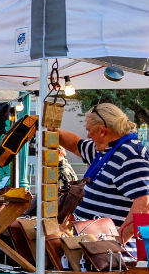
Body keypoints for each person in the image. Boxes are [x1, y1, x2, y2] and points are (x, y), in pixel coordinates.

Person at [57, 101, 149, 237]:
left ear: (102, 131)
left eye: (89, 130)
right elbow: (76, 144)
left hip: (109, 252)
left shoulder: (131, 155)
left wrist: (118, 241)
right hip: (91, 244)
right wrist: (44, 128)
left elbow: (144, 203)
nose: (88, 136)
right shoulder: (105, 149)